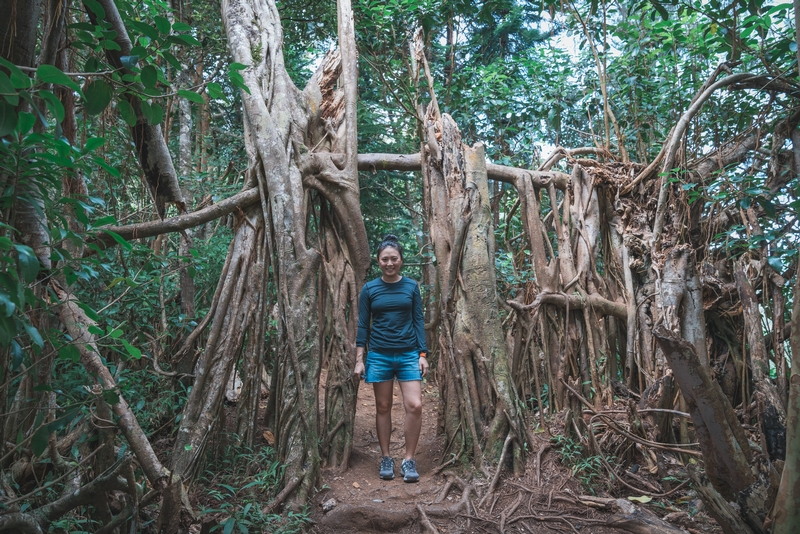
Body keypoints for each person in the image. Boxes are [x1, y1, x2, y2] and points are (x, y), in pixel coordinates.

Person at [353, 234, 429, 483]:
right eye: (385, 259)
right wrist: (359, 359)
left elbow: (418, 321)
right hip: (380, 355)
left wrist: (422, 354)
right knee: (383, 407)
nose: (389, 263)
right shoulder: (370, 289)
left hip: (408, 354)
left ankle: (408, 460)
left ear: (401, 260)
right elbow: (364, 324)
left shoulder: (410, 287)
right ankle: (386, 457)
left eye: (393, 258)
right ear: (378, 261)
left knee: (414, 405)